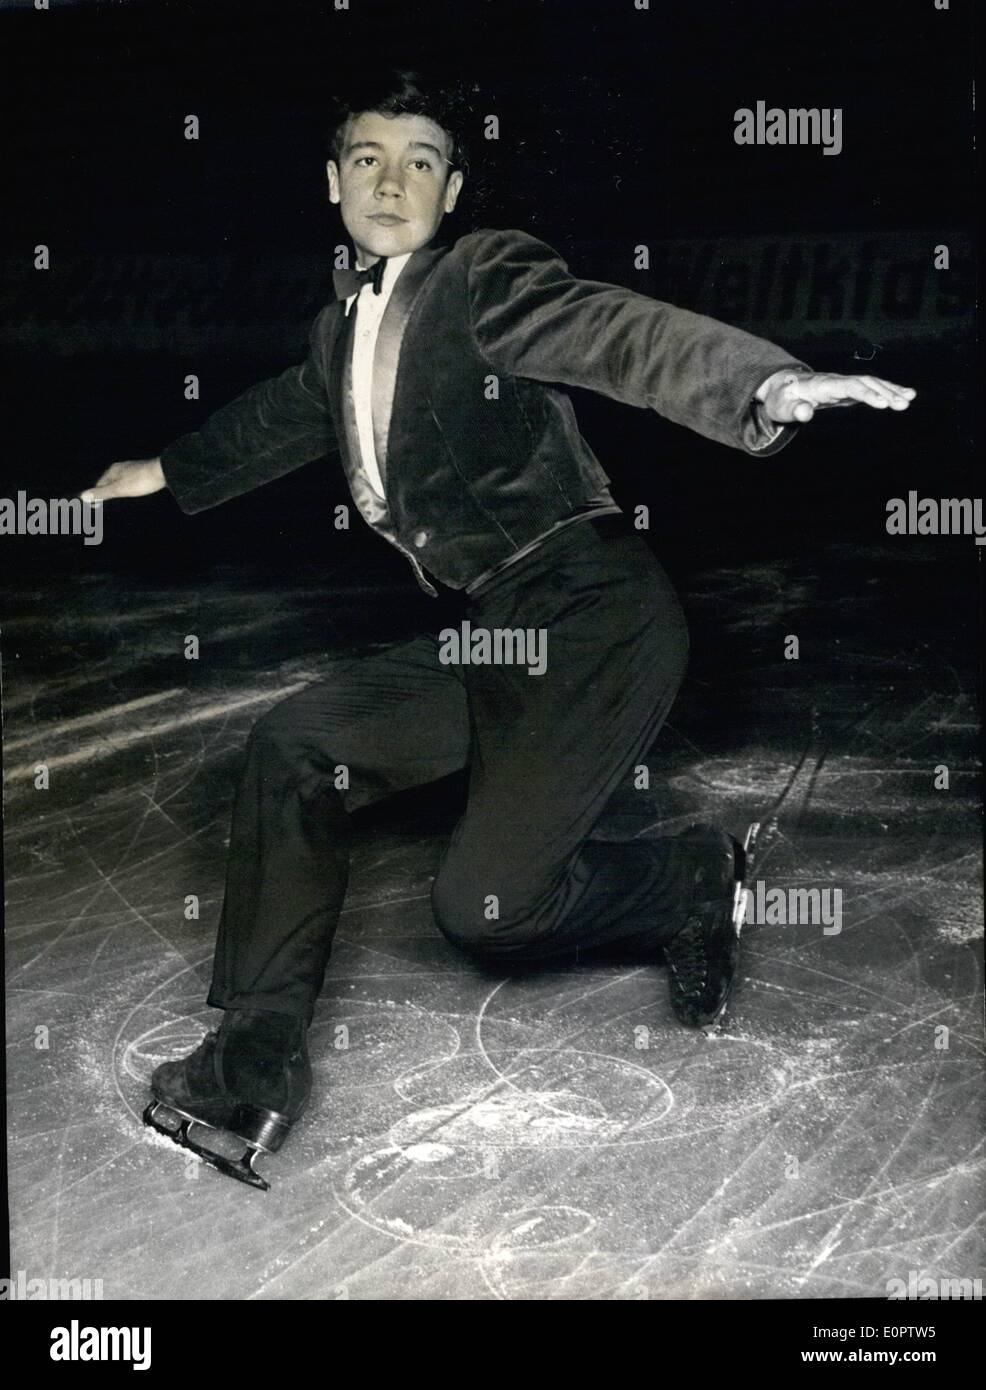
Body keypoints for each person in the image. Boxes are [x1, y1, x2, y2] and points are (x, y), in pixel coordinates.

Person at [83, 72, 915, 1190]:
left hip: (594, 613)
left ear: (453, 190)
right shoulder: (338, 333)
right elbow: (282, 414)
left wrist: (758, 384)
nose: (391, 179)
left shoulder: (481, 278)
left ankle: (685, 878)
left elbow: (608, 331)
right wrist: (161, 471)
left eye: (421, 160)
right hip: (498, 632)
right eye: (368, 157)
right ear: (330, 182)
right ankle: (250, 1064)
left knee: (487, 907)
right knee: (297, 747)